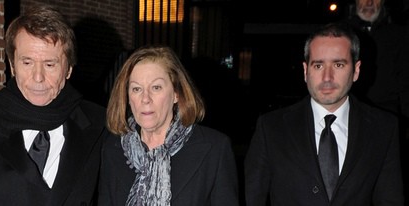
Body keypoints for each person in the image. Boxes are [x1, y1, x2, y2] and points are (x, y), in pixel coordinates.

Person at [0, 4, 108, 205]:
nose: (38, 77)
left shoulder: (99, 124)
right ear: (12, 66)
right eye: (27, 62)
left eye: (50, 64)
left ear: (68, 69)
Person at [244, 23, 405, 205]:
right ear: (306, 71)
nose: (327, 77)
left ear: (356, 70)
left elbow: (390, 200)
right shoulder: (271, 128)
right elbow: (251, 198)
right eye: (318, 66)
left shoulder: (383, 128)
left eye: (338, 64)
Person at [98, 45, 239, 206]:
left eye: (156, 88)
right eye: (136, 89)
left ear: (176, 94)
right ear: (128, 97)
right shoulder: (112, 149)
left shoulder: (215, 149)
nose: (145, 98)